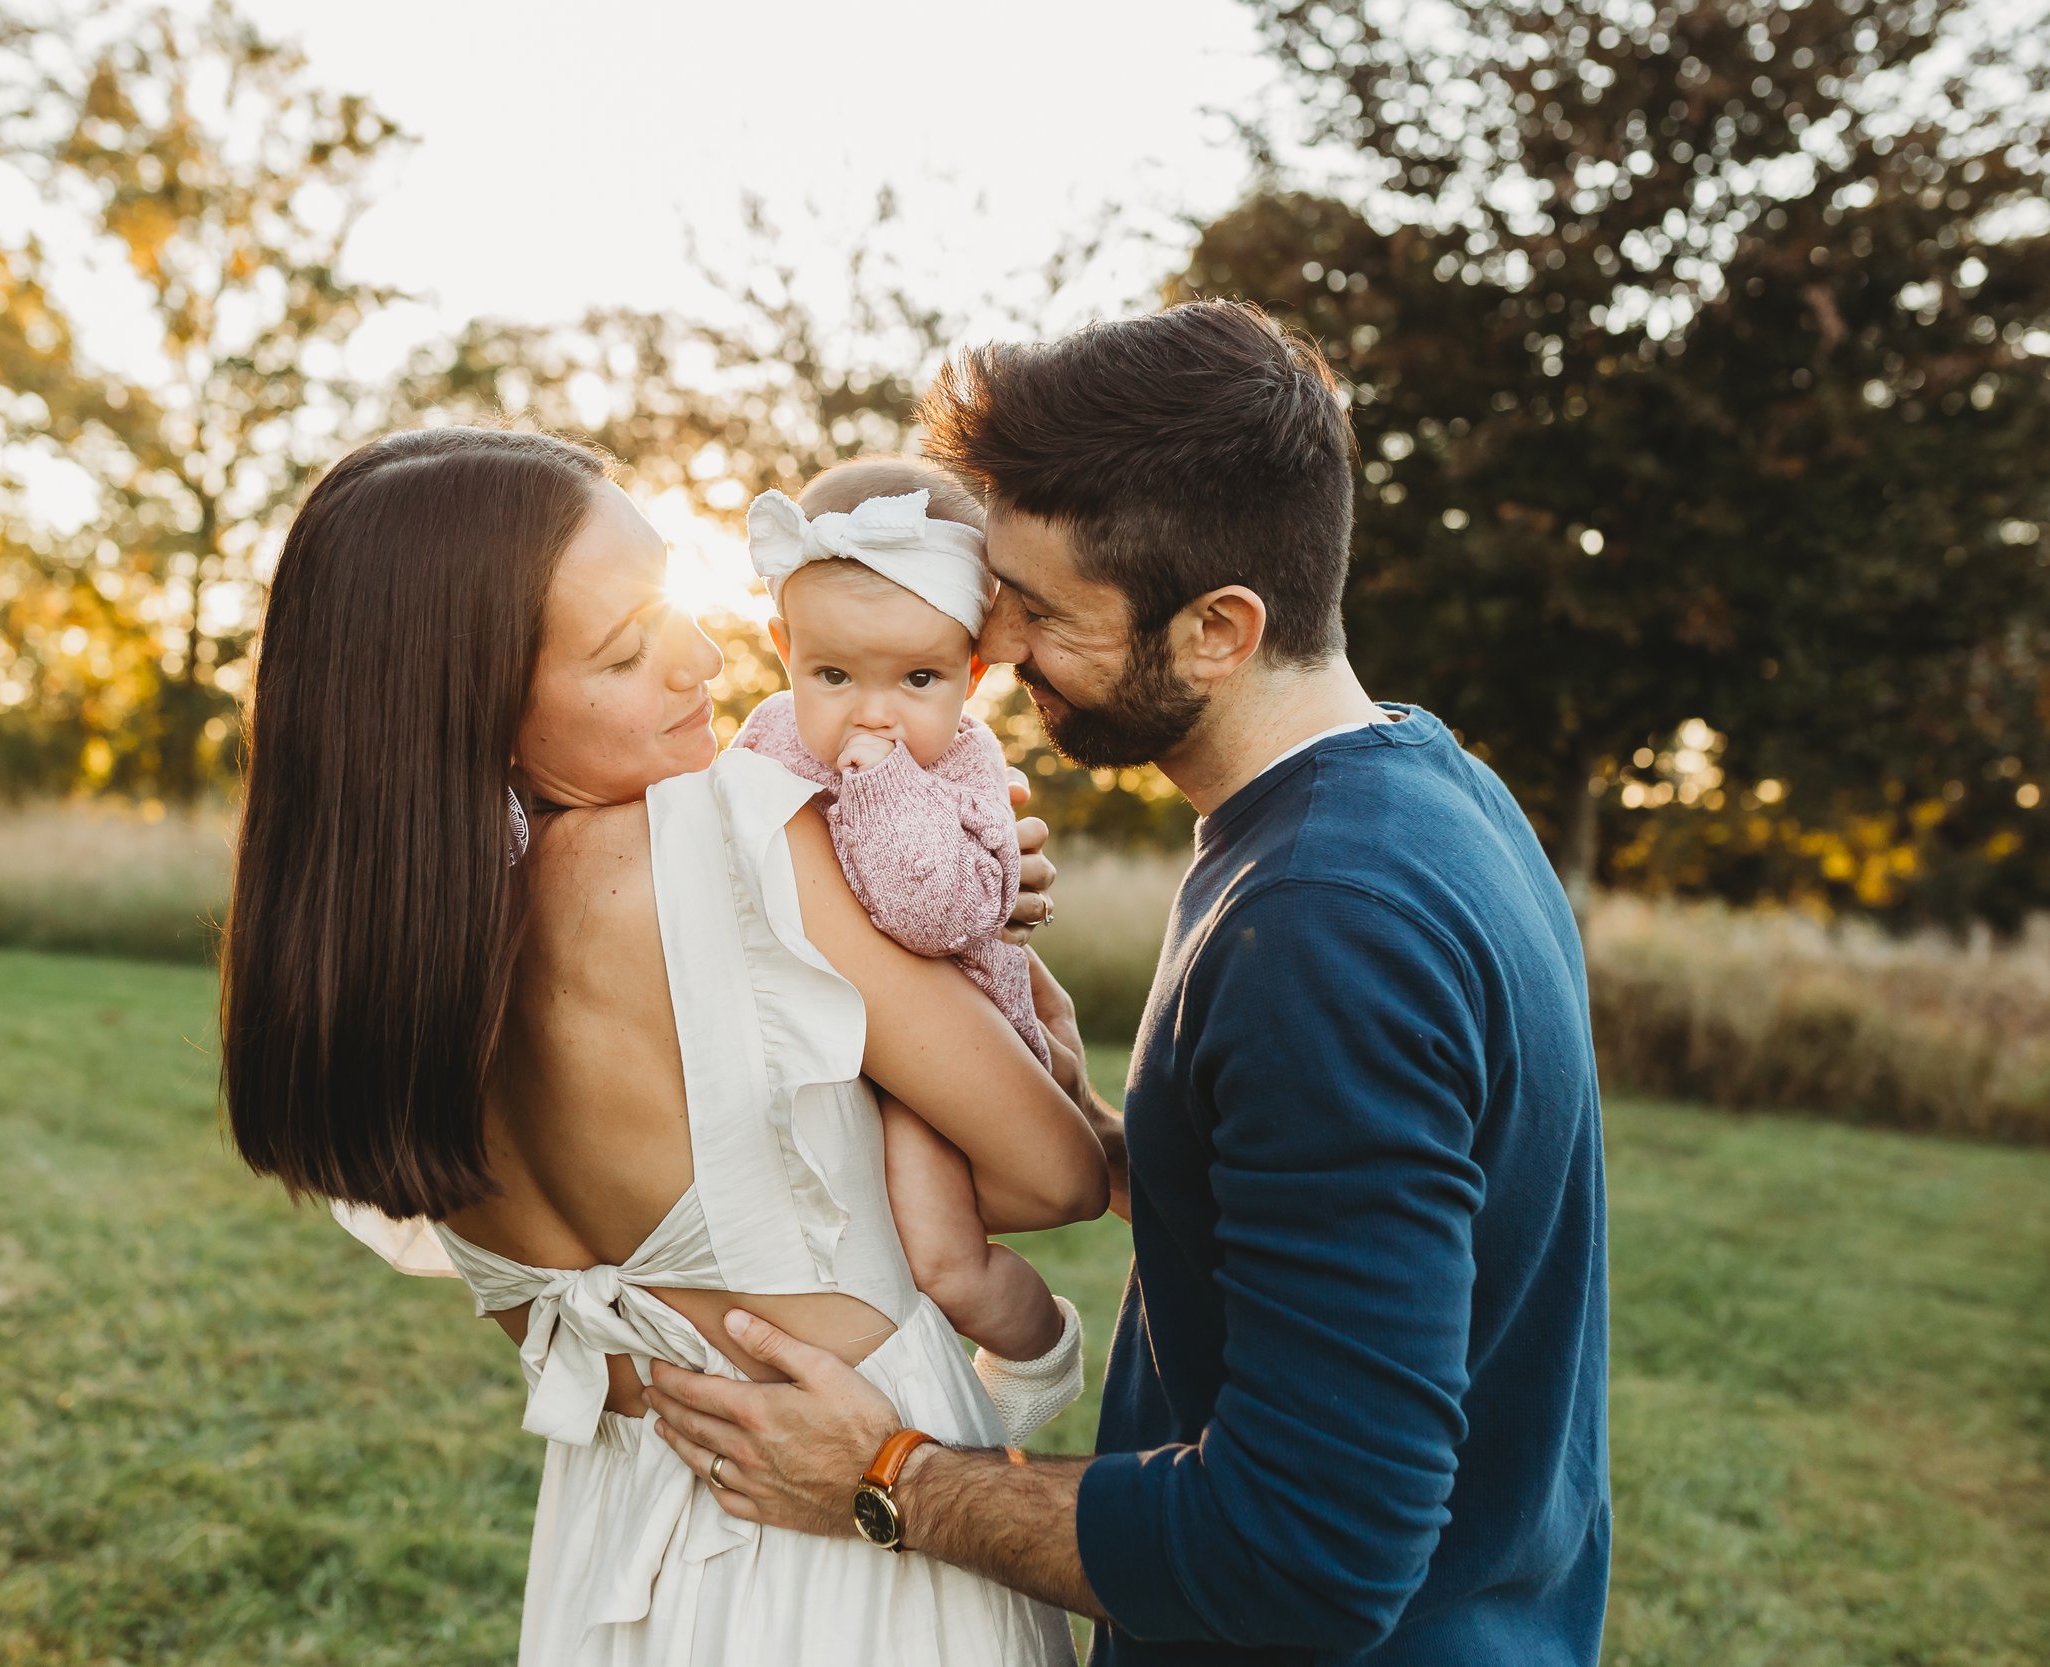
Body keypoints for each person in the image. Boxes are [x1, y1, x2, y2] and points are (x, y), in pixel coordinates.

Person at [645, 300, 1613, 1666]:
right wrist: (1118, 1143)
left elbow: (1303, 1557)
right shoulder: (1427, 792)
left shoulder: (1328, 924)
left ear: (1218, 625)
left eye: (1042, 610)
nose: (1001, 646)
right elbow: (1363, 1195)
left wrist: (889, 1471)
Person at [218, 425, 1111, 1666]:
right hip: (852, 1569)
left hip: (611, 1575)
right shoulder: (738, 836)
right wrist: (1033, 1015)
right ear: (482, 708)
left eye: (674, 598)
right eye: (628, 648)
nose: (705, 652)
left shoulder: (383, 983)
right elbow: (1053, 1174)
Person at [733, 457, 1086, 1448]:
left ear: (971, 676)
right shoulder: (767, 740)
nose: (872, 710)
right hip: (827, 1037)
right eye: (832, 673)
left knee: (941, 1258)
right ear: (784, 649)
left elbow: (927, 915)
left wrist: (883, 784)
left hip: (942, 1049)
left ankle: (1035, 1344)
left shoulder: (965, 765)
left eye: (918, 678)